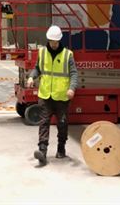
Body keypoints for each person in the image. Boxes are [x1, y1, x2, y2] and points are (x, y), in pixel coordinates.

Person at [26, 25, 78, 165]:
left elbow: (74, 74)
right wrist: (31, 77)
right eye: (51, 41)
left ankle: (61, 148)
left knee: (62, 123)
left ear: (59, 40)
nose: (53, 44)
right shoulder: (42, 52)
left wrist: (72, 88)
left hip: (62, 96)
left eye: (56, 42)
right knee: (44, 122)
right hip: (45, 95)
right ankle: (42, 151)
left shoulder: (67, 55)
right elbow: (37, 68)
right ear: (48, 40)